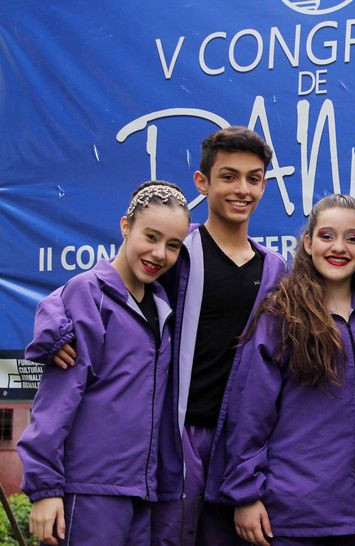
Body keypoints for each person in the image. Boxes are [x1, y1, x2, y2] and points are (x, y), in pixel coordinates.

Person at [51, 127, 288, 545]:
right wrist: (54, 326)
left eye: (253, 178)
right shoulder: (178, 250)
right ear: (203, 182)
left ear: (265, 185)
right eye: (228, 176)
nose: (241, 189)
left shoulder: (275, 272)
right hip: (171, 440)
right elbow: (99, 284)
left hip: (234, 445)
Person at [204, 194, 355, 546]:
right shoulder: (281, 315)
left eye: (352, 238)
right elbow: (249, 412)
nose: (339, 247)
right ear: (308, 242)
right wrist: (245, 494)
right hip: (290, 519)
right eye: (327, 236)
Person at [18, 181, 191, 545]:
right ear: (125, 226)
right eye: (151, 236)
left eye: (173, 245)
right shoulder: (87, 295)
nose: (160, 253)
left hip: (141, 491)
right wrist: (45, 489)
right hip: (89, 489)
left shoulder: (162, 306)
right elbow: (55, 403)